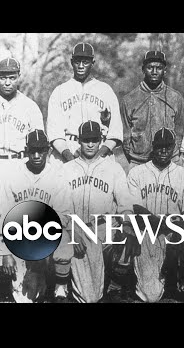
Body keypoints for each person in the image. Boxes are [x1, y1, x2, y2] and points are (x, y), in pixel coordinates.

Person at [126, 127, 184, 302]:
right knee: (150, 297)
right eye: (160, 146)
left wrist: (183, 228)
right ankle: (163, 281)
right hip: (147, 233)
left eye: (167, 146)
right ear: (153, 146)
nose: (163, 150)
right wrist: (167, 223)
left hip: (172, 232)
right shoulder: (137, 173)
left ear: (174, 147)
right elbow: (136, 209)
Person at [62, 121, 135, 303]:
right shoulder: (66, 169)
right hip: (78, 230)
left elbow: (125, 204)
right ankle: (65, 284)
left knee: (128, 239)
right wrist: (72, 233)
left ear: (100, 140)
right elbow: (59, 209)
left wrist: (127, 226)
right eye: (86, 140)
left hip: (104, 229)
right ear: (79, 141)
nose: (90, 144)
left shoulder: (113, 168)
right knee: (89, 299)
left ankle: (114, 287)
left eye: (94, 140)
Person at [0, 129, 73, 303]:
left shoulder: (57, 175)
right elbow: (4, 215)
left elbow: (64, 214)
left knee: (65, 241)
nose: (37, 155)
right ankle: (38, 281)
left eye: (41, 150)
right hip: (20, 236)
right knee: (26, 297)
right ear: (26, 150)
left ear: (48, 150)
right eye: (33, 150)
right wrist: (5, 252)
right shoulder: (13, 175)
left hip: (48, 233)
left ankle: (60, 289)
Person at [47, 42, 123, 167]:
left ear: (92, 63)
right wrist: (70, 158)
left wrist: (97, 156)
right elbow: (54, 132)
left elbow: (115, 132)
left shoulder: (105, 90)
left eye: (85, 62)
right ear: (72, 62)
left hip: (99, 150)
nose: (81, 66)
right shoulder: (60, 91)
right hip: (68, 149)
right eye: (77, 62)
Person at [120, 51, 184, 174]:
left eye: (159, 68)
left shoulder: (175, 97)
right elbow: (126, 136)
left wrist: (172, 154)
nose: (154, 72)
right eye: (150, 67)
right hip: (139, 162)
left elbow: (179, 131)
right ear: (143, 69)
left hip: (169, 162)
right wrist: (135, 157)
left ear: (165, 71)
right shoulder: (129, 99)